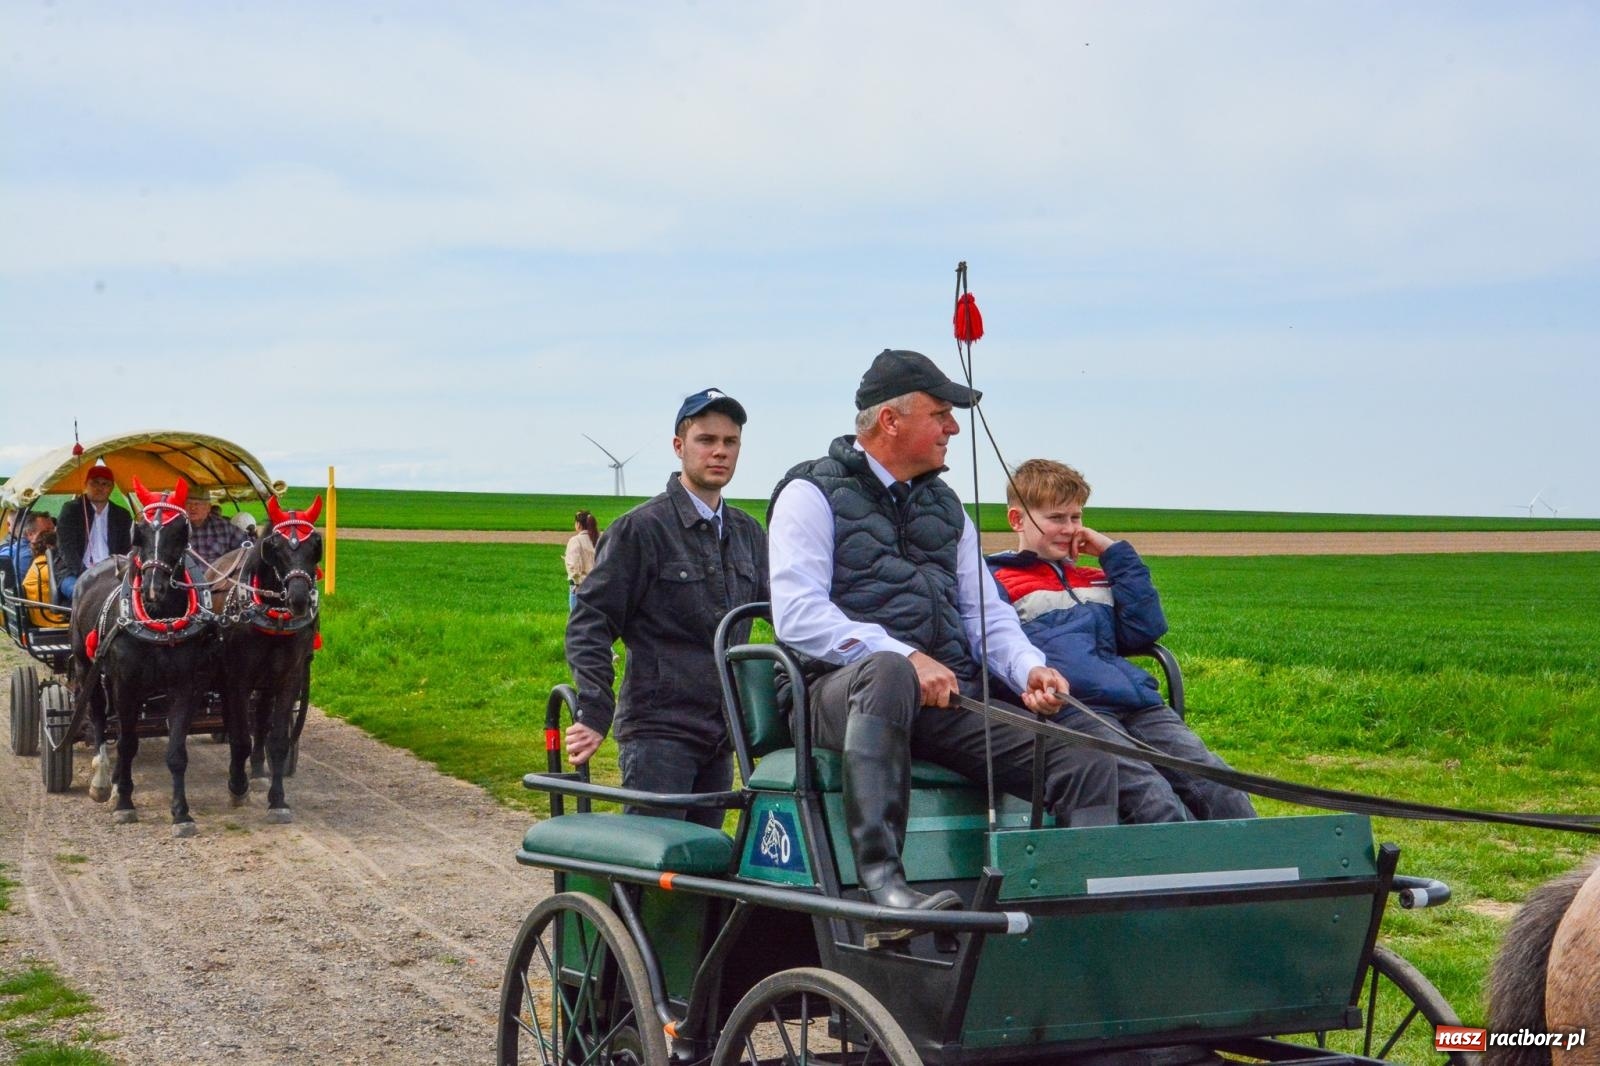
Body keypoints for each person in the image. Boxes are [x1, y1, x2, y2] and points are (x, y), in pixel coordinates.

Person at [767, 349, 1153, 921]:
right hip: (835, 694)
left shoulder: (945, 507)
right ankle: (883, 888)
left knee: (1086, 758)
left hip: (943, 697)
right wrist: (907, 655)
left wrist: (1028, 669)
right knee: (888, 671)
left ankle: (1075, 917)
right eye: (941, 414)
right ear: (891, 421)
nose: (952, 428)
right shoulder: (810, 493)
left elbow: (984, 614)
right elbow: (798, 615)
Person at [987, 459, 1257, 822]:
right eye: (1056, 518)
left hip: (1137, 704)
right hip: (1075, 709)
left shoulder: (1092, 578)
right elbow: (995, 652)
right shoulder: (994, 581)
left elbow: (1143, 630)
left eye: (1076, 517)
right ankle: (1177, 875)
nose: (1069, 528)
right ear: (1017, 520)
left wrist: (1114, 555)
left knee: (1219, 785)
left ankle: (1258, 873)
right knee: (1152, 800)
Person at [564, 388, 769, 829]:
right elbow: (590, 622)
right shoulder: (642, 529)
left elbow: (785, 617)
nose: (719, 452)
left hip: (723, 732)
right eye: (706, 440)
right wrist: (595, 710)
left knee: (704, 865)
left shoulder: (748, 534)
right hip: (660, 733)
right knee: (655, 868)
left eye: (730, 442)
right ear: (679, 446)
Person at [55, 463, 133, 603]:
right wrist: (86, 574)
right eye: (95, 483)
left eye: (105, 484)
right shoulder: (71, 510)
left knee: (133, 596)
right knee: (85, 595)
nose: (100, 488)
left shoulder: (122, 515)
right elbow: (66, 548)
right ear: (86, 484)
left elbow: (125, 549)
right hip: (74, 573)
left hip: (112, 572)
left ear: (111, 488)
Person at [182, 491, 249, 570]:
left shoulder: (224, 527)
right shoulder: (177, 528)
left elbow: (247, 547)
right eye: (189, 504)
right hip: (186, 579)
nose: (192, 508)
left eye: (197, 504)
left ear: (208, 507)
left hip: (218, 578)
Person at [22, 530, 69, 627]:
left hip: (40, 619)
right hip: (53, 620)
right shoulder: (46, 566)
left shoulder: (38, 562)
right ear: (50, 547)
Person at [0, 512, 55, 588]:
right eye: (47, 531)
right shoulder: (29, 554)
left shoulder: (20, 548)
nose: (53, 534)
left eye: (53, 529)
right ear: (30, 534)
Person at [564, 510, 599, 609]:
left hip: (580, 587)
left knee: (578, 621)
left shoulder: (575, 541)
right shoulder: (598, 539)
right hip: (597, 586)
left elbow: (573, 566)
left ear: (578, 524)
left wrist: (577, 583)